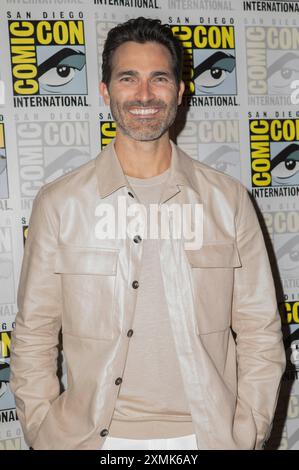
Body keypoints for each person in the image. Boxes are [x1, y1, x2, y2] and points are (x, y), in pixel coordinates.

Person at [9, 16, 286, 451]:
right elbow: (35, 332)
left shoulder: (226, 200)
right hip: (91, 442)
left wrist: (248, 427)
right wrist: (43, 429)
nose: (143, 95)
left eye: (159, 78)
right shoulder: (60, 203)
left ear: (179, 91)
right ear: (105, 91)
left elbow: (259, 329)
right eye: (128, 78)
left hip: (208, 439)